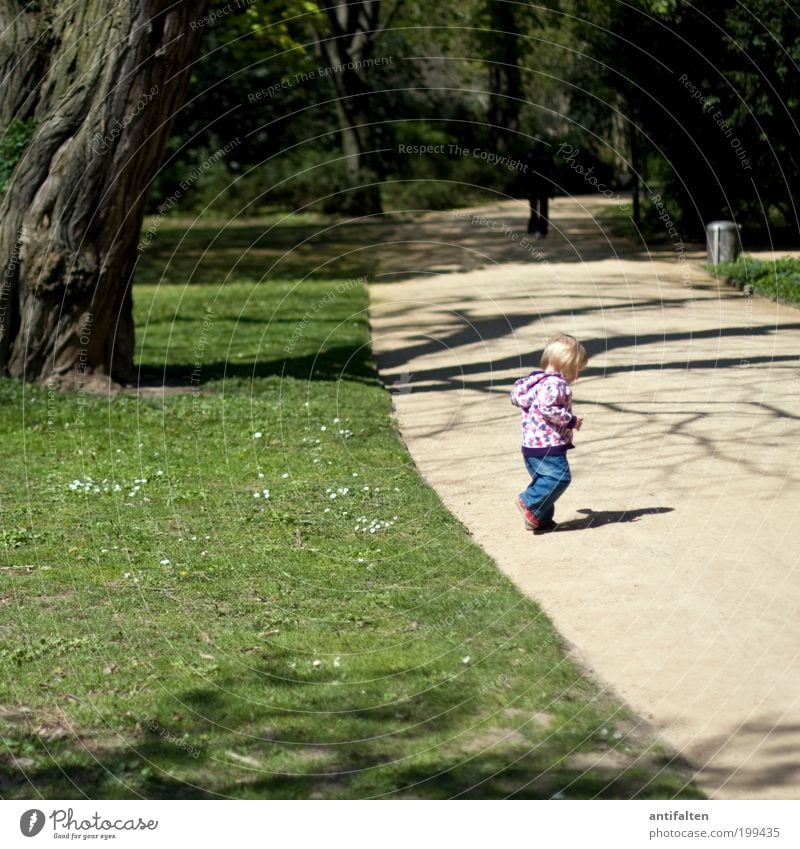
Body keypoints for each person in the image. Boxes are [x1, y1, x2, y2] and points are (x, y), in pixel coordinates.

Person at [510, 334, 588, 533]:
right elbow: (548, 409)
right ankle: (529, 502)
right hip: (548, 444)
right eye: (576, 370)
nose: (576, 377)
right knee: (559, 478)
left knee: (544, 481)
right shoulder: (556, 384)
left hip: (532, 446)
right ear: (564, 363)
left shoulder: (535, 381)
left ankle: (539, 519)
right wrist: (571, 420)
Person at [523, 140, 556, 237]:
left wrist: (526, 188)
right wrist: (552, 188)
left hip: (535, 186)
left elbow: (524, 173)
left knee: (534, 209)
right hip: (542, 186)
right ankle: (541, 229)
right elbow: (552, 173)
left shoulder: (530, 155)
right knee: (542, 209)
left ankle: (534, 228)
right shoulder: (545, 155)